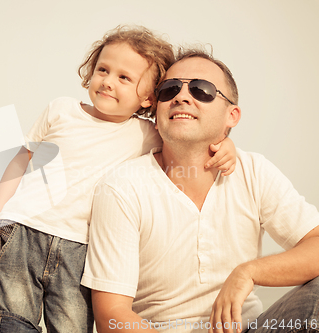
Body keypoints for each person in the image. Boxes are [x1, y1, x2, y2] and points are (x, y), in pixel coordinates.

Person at [0, 27, 237, 333]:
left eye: (124, 78)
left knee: (73, 326)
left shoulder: (145, 133)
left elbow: (188, 140)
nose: (108, 81)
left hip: (81, 249)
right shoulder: (61, 110)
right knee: (12, 320)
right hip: (24, 231)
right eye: (103, 70)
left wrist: (225, 143)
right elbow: (19, 163)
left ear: (147, 98)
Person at [81, 48, 319, 333]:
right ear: (155, 109)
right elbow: (112, 315)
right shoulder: (122, 187)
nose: (181, 97)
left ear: (232, 115)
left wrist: (249, 272)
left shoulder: (253, 170)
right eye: (169, 90)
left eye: (201, 89)